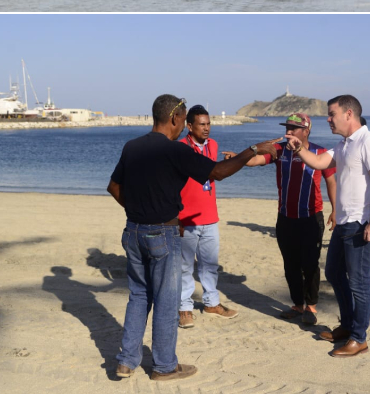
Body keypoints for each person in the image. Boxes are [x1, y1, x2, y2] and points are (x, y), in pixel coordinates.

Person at [107, 94, 277, 381]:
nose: (182, 126)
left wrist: (140, 211)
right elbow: (219, 172)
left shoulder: (131, 146)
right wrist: (252, 150)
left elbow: (114, 187)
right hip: (162, 232)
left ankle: (126, 361)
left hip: (133, 231)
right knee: (165, 299)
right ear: (175, 119)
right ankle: (163, 366)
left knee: (138, 296)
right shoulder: (174, 150)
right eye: (183, 120)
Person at [287, 95, 370, 357]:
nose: (328, 119)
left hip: (361, 224)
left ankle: (359, 338)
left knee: (359, 283)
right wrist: (298, 148)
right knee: (333, 273)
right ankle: (346, 326)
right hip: (343, 223)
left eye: (332, 114)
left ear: (349, 114)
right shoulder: (344, 145)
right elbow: (319, 162)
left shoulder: (369, 142)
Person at [232, 113, 338, 326]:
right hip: (285, 217)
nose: (288, 132)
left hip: (311, 217)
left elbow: (331, 182)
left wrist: (336, 210)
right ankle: (297, 305)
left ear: (306, 131)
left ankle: (312, 306)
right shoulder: (279, 150)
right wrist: (239, 159)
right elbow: (256, 160)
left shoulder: (320, 152)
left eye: (293, 128)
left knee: (310, 264)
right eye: (287, 128)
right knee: (290, 264)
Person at [175, 105, 236, 329]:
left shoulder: (214, 145)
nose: (207, 128)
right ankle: (184, 308)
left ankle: (211, 303)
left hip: (210, 216)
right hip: (187, 218)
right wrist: (177, 217)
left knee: (210, 265)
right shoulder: (180, 148)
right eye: (202, 124)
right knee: (184, 267)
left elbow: (214, 175)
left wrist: (230, 163)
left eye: (209, 123)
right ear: (189, 126)